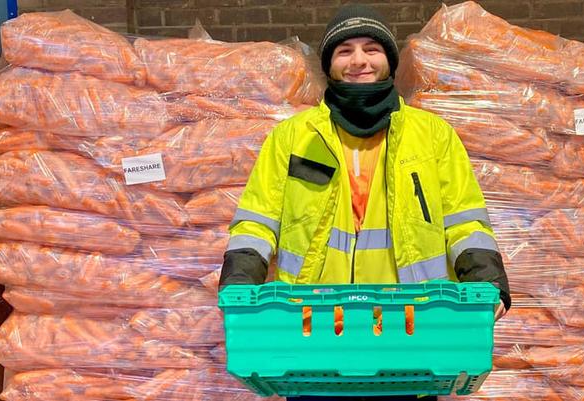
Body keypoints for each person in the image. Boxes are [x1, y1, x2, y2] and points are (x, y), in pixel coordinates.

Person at [218, 4, 510, 401]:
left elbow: (465, 220)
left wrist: (487, 282)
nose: (359, 60)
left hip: (408, 334)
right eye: (344, 51)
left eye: (371, 48)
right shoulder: (292, 138)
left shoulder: (433, 136)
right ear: (330, 64)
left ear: (389, 60)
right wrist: (239, 285)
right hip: (313, 334)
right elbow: (257, 221)